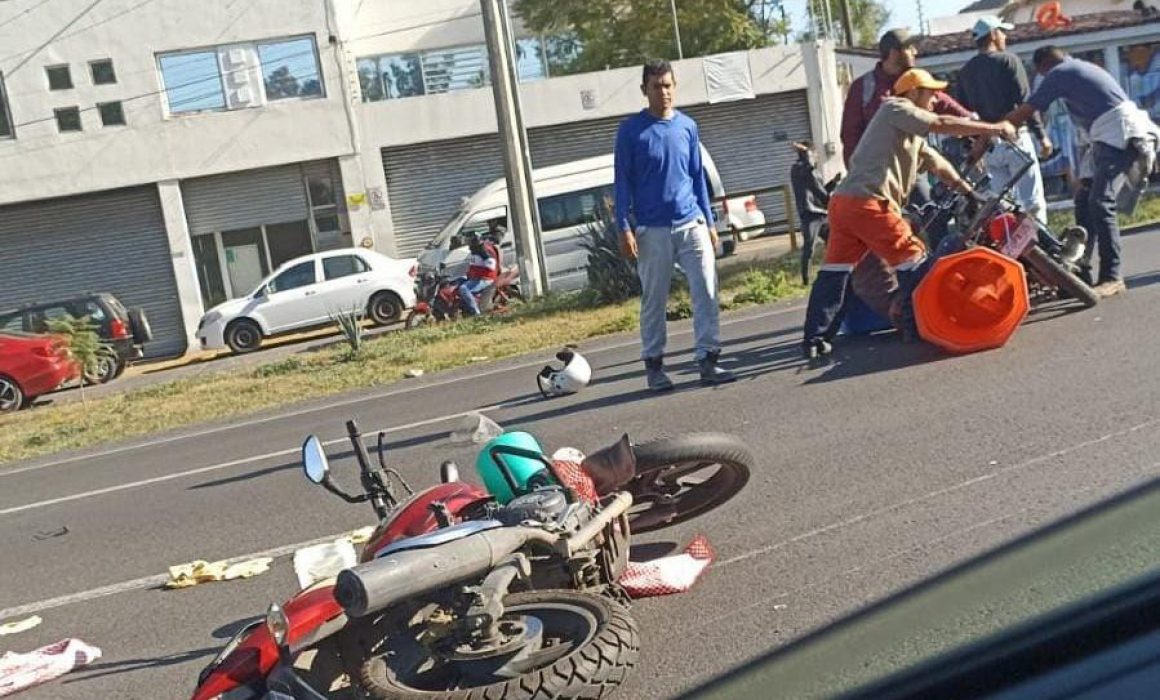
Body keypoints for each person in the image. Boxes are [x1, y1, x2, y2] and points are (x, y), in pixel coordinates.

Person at [802, 69, 1017, 360]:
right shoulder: (895, 107)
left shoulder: (907, 135)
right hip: (869, 203)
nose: (935, 100)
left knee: (834, 274)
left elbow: (939, 166)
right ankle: (910, 319)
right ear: (913, 93)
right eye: (930, 93)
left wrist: (969, 192)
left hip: (844, 204)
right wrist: (992, 128)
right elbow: (941, 122)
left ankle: (815, 338)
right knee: (916, 263)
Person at [614, 59, 734, 391]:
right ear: (644, 90)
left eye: (668, 85)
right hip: (652, 229)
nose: (664, 92)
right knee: (654, 298)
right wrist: (623, 225)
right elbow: (622, 182)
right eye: (656, 86)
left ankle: (708, 359)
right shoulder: (631, 131)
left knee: (706, 290)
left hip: (691, 221)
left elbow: (697, 177)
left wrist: (709, 221)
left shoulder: (687, 127)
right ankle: (654, 366)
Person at [1005, 46, 1160, 297]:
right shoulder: (1079, 68)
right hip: (1107, 136)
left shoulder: (1061, 72)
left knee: (1101, 202)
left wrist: (993, 128)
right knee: (1084, 200)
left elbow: (1028, 108)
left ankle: (1112, 276)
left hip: (1121, 132)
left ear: (1043, 66)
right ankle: (1078, 272)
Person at [955, 15, 1050, 224]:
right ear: (993, 35)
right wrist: (1042, 136)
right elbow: (1026, 103)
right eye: (1002, 31)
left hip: (989, 146)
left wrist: (971, 147)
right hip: (1015, 138)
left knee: (1004, 205)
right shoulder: (1009, 60)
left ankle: (1013, 250)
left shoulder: (966, 71)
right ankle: (1043, 247)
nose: (1005, 36)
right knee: (1032, 201)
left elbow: (962, 113)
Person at [789, 141, 836, 285]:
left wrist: (833, 183)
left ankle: (833, 271)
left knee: (834, 241)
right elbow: (807, 171)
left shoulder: (815, 172)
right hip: (810, 213)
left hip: (822, 212)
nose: (816, 156)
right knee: (809, 246)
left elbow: (820, 192)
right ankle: (805, 279)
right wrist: (804, 152)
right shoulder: (798, 169)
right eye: (813, 153)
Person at [458, 232, 499, 316]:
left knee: (464, 289)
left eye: (469, 240)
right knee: (458, 281)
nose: (467, 242)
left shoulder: (483, 250)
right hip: (476, 277)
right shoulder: (475, 250)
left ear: (474, 240)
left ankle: (476, 313)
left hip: (486, 278)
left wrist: (476, 273)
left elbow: (491, 266)